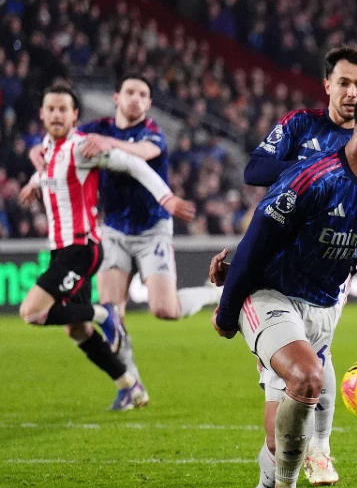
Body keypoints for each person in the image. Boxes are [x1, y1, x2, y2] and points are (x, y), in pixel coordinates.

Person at [193, 88, 357, 488]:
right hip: (270, 297)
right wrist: (227, 309)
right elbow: (258, 241)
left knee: (281, 441)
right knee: (309, 377)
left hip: (323, 310)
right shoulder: (312, 177)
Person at [241, 45, 357, 487]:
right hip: (278, 266)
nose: (351, 92)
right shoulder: (299, 125)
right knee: (305, 363)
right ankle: (292, 467)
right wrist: (316, 167)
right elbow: (255, 169)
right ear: (327, 84)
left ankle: (317, 451)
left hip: (332, 273)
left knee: (313, 359)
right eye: (343, 82)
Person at [31, 73, 222, 398]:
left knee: (165, 309)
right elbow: (52, 147)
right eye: (130, 92)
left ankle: (215, 295)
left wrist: (109, 145)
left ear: (148, 103)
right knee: (111, 311)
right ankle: (132, 385)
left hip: (152, 229)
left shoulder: (151, 132)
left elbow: (143, 155)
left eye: (143, 94)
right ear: (116, 98)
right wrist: (36, 173)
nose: (136, 98)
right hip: (114, 231)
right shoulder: (97, 128)